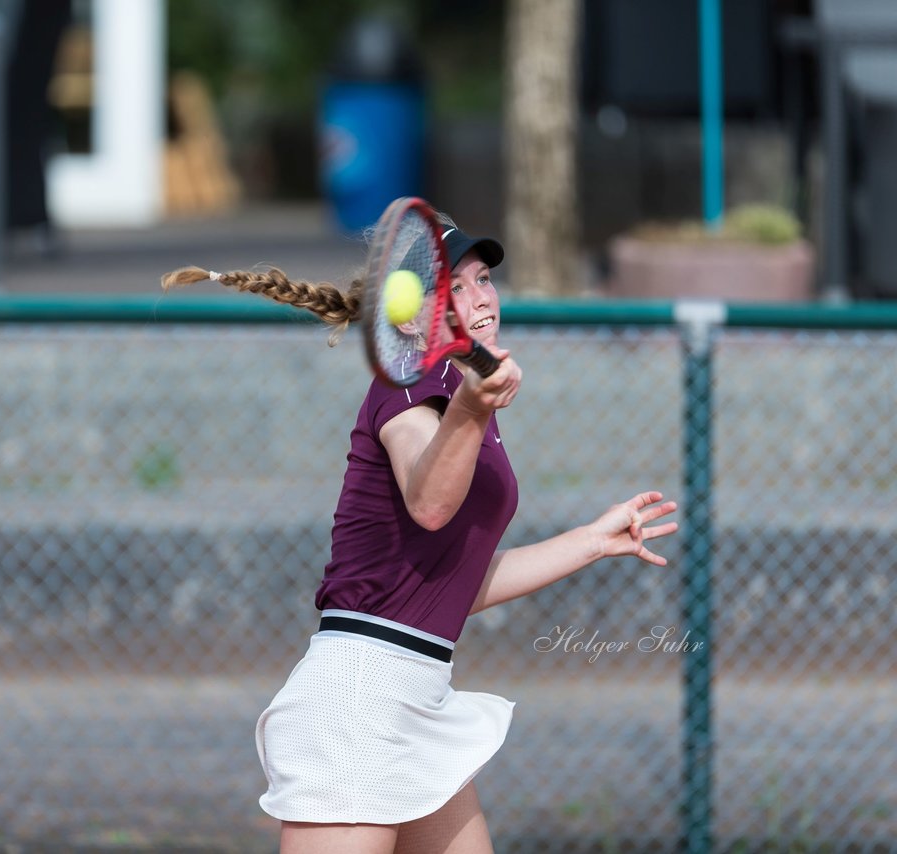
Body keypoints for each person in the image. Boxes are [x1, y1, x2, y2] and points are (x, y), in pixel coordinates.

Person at [162, 215, 678, 854]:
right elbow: (430, 503)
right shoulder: (406, 387)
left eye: (484, 278)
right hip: (359, 697)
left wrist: (592, 541)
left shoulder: (461, 397)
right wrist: (472, 405)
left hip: (416, 689)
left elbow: (449, 583)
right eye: (453, 288)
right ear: (410, 320)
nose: (481, 296)